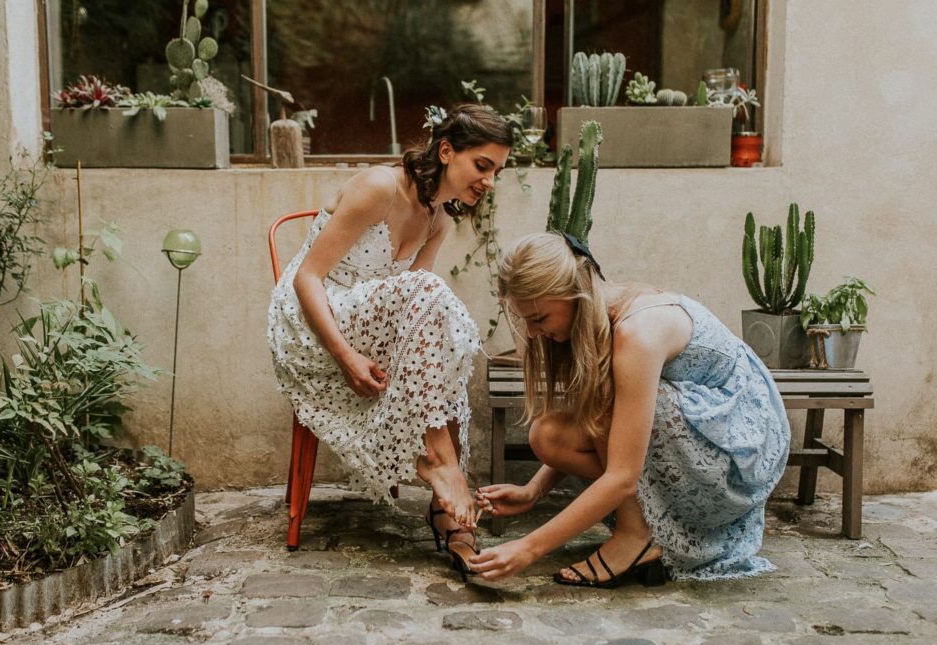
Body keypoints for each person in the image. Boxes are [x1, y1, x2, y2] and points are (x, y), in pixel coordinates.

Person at [267, 104, 512, 576]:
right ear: (446, 151)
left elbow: (416, 318)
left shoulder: (439, 219)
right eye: (483, 165)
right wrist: (346, 357)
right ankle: (442, 467)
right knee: (430, 295)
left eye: (497, 171)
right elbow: (307, 279)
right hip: (310, 324)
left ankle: (443, 490)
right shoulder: (379, 187)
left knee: (437, 331)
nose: (490, 181)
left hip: (368, 326)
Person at [469, 232, 790, 586]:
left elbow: (622, 476)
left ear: (574, 294)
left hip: (739, 450)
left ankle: (634, 536)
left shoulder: (637, 333)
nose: (530, 333)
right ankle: (641, 528)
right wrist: (533, 491)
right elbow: (596, 430)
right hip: (704, 432)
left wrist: (529, 548)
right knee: (548, 436)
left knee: (607, 402)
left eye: (540, 318)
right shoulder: (599, 315)